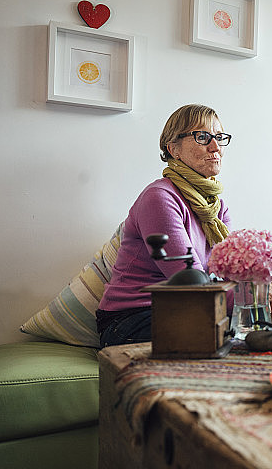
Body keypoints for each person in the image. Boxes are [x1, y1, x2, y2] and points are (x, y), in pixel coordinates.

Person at [96, 104, 233, 347]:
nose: (215, 147)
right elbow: (190, 284)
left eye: (220, 138)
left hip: (193, 311)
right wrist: (254, 299)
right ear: (173, 149)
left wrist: (264, 292)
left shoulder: (216, 206)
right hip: (132, 318)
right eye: (202, 137)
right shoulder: (159, 197)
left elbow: (229, 271)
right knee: (232, 335)